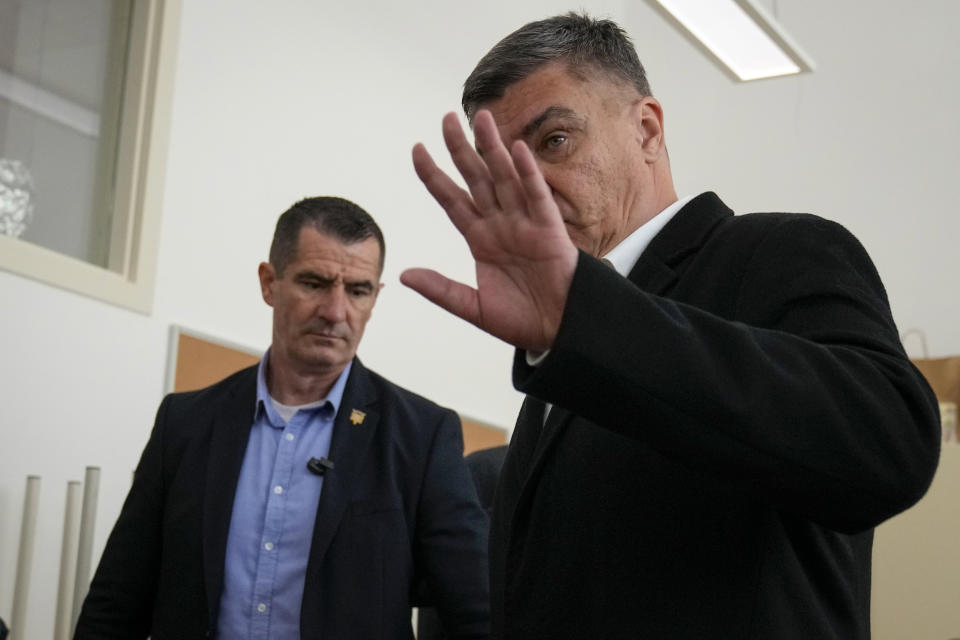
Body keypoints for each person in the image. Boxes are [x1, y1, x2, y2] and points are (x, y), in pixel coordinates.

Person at [400, 13, 941, 640]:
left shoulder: (779, 252)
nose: (531, 187)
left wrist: (587, 318)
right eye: (505, 168)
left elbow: (888, 446)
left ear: (648, 130)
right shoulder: (561, 358)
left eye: (554, 141)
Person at [75, 197, 490, 640]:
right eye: (314, 283)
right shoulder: (185, 424)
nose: (335, 311)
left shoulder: (421, 437)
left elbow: (478, 612)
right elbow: (116, 603)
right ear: (269, 283)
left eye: (357, 290)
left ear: (375, 298)